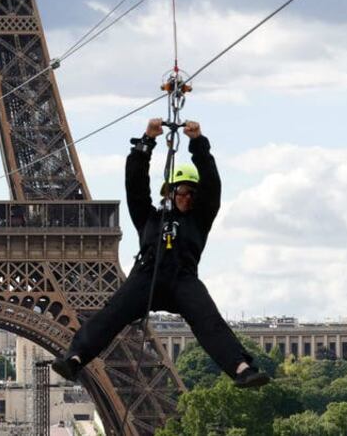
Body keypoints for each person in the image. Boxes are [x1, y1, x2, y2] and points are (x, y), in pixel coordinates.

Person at [51, 118, 270, 389]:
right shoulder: (149, 218)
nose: (188, 198)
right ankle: (75, 358)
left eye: (193, 194)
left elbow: (213, 186)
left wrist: (198, 143)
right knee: (111, 314)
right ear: (170, 191)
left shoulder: (199, 219)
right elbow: (135, 185)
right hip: (147, 275)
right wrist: (146, 142)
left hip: (182, 278)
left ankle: (242, 368)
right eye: (183, 191)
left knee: (209, 320)